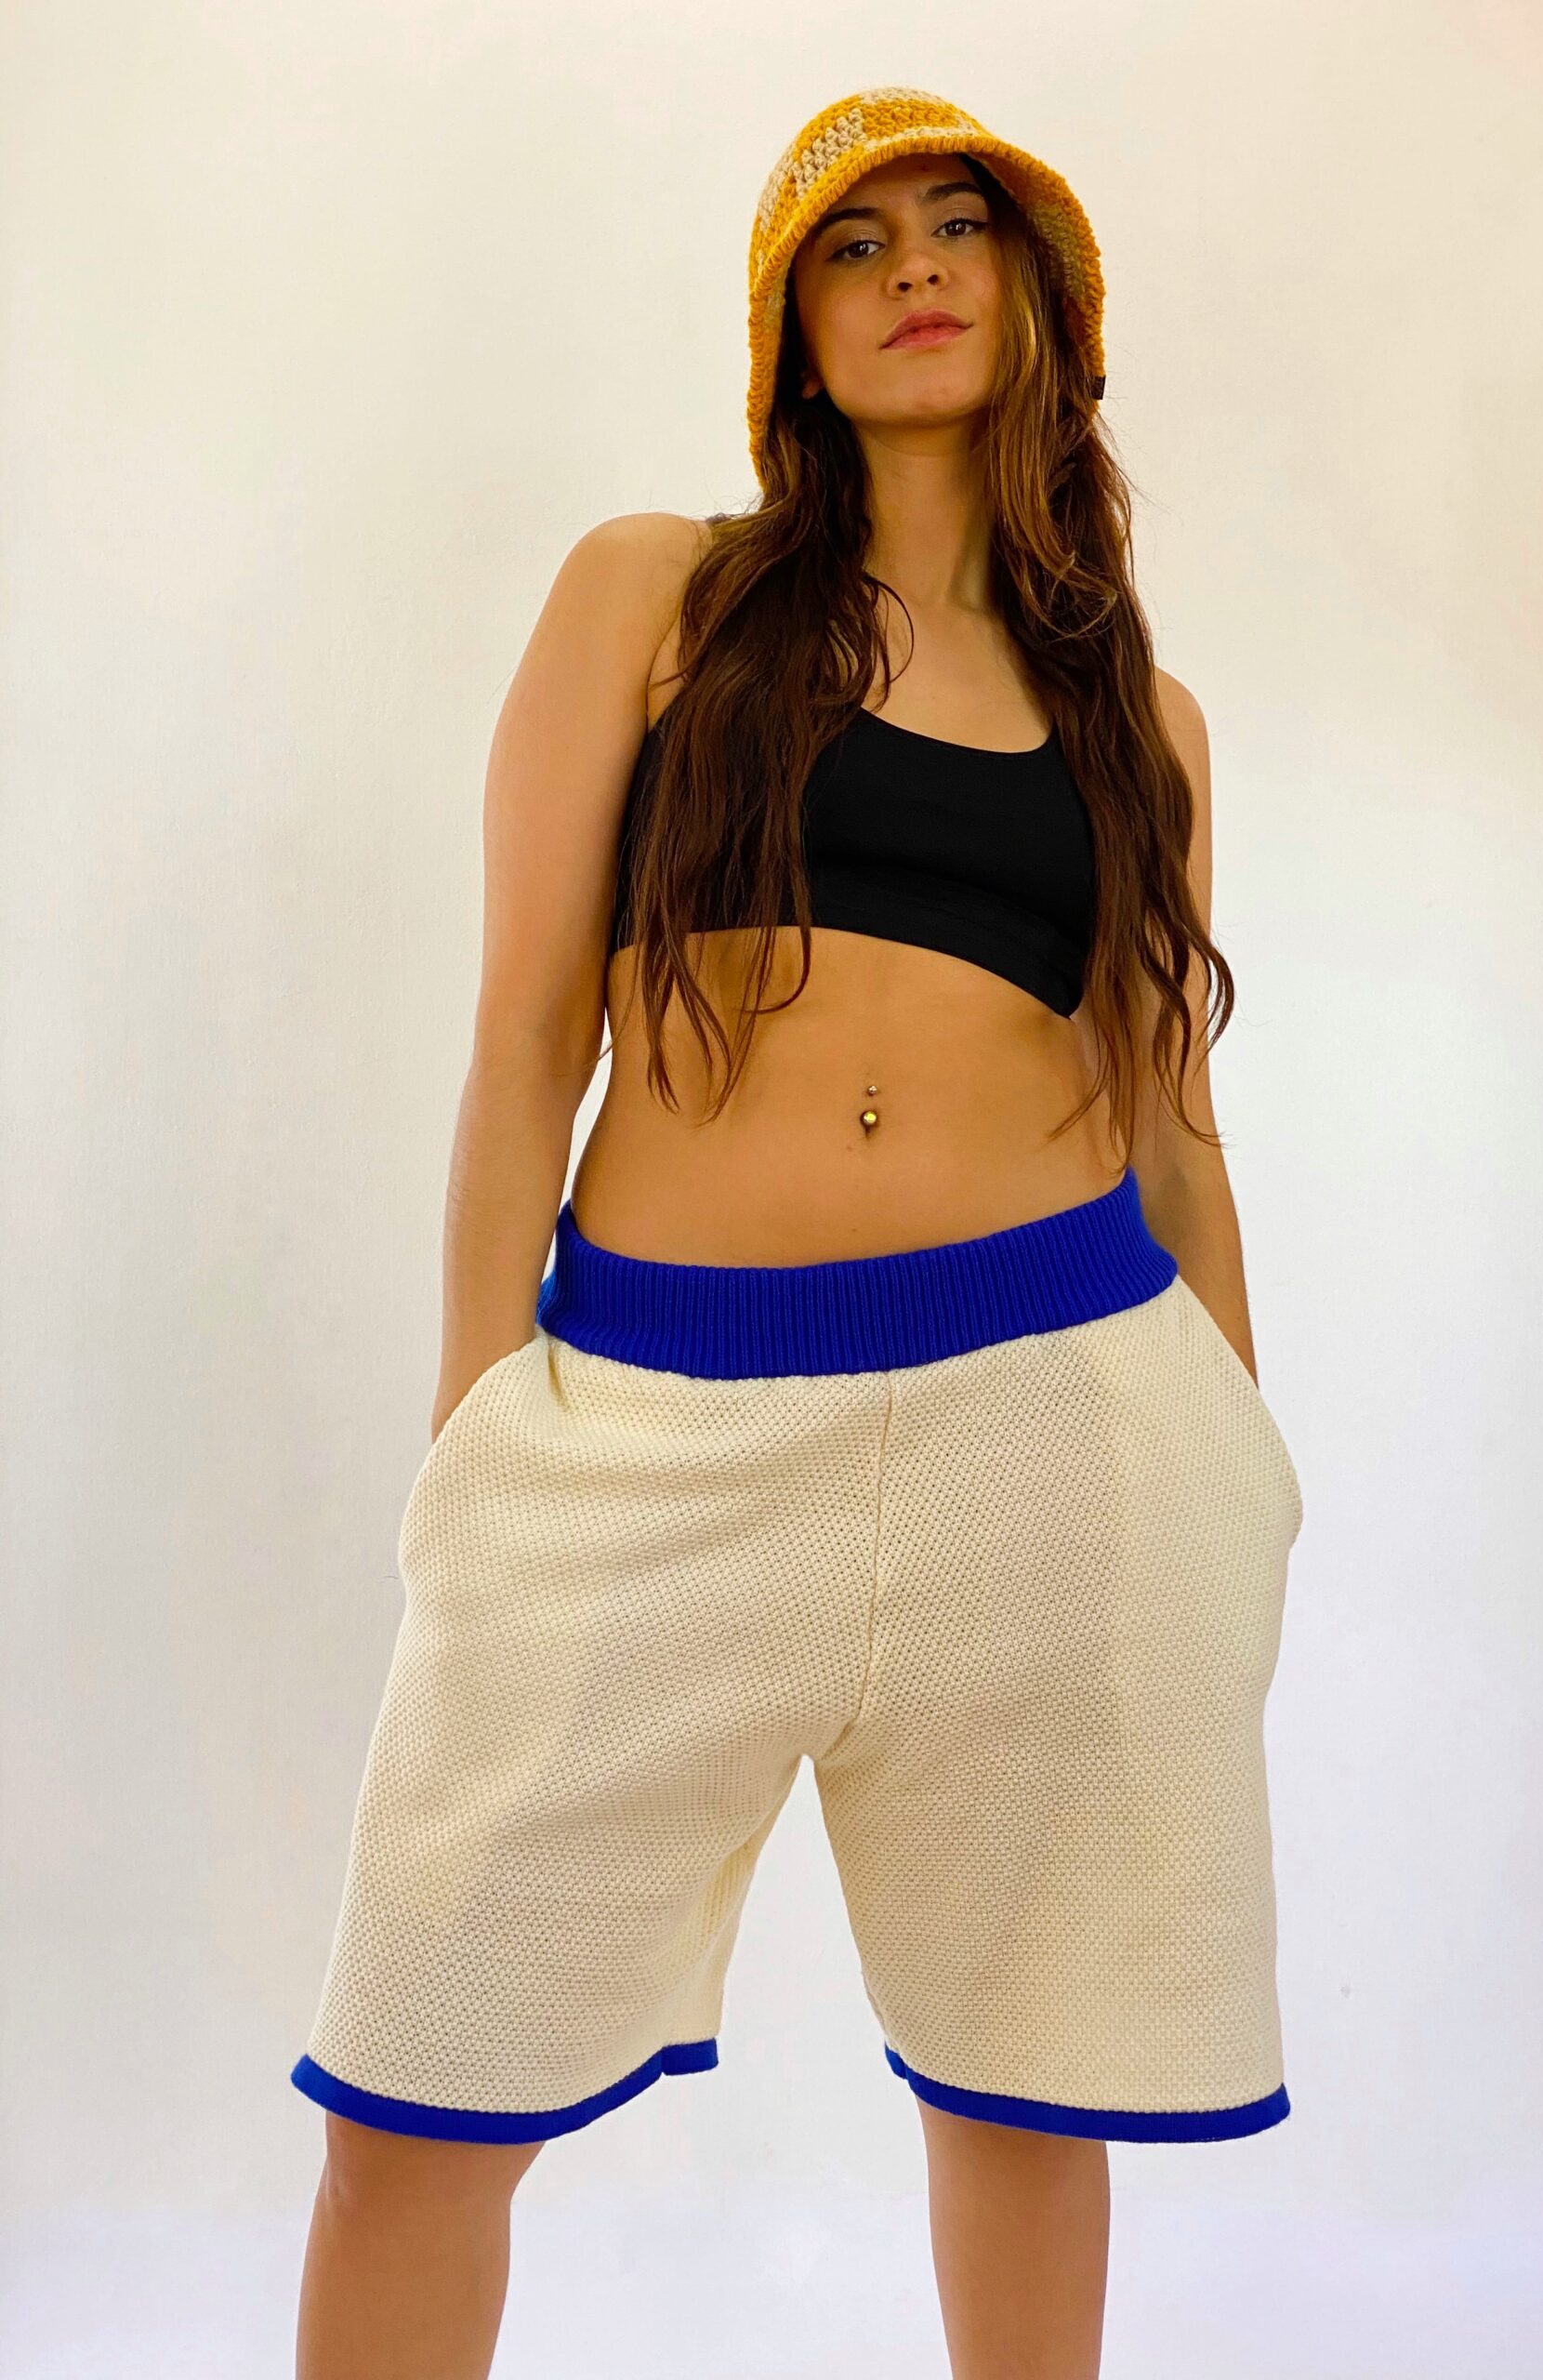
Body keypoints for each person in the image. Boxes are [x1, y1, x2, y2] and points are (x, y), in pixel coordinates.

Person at [290, 85, 1304, 2380]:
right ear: (790, 332)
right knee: (414, 2102)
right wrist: (479, 1423)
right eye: (856, 242)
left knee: (1026, 2085)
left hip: (1057, 1418)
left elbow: (1179, 1128)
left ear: (1044, 306)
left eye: (962, 228)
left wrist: (1246, 1469)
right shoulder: (655, 596)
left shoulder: (1140, 722)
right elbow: (524, 1034)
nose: (916, 268)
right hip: (653, 1412)